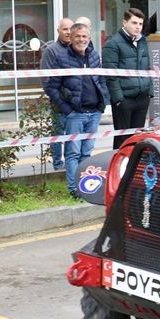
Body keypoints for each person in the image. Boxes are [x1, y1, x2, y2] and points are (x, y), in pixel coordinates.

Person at [45, 23, 108, 197]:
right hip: (75, 114)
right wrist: (67, 109)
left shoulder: (94, 55)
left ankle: (85, 188)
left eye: (84, 36)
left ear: (89, 38)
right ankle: (74, 189)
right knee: (73, 153)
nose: (81, 39)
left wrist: (102, 103)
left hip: (94, 112)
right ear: (71, 38)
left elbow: (101, 80)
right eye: (78, 36)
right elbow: (52, 88)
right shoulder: (62, 58)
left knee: (87, 153)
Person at [102, 8, 152, 149]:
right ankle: (119, 168)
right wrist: (118, 99)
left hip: (142, 97)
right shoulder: (113, 43)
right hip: (124, 100)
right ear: (124, 22)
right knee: (122, 141)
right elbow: (110, 74)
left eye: (140, 24)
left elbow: (147, 68)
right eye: (134, 23)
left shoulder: (142, 41)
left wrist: (149, 92)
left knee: (137, 139)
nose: (138, 27)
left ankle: (133, 169)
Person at [39, 17, 72, 170]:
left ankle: (72, 164)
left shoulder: (76, 49)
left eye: (71, 28)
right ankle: (58, 165)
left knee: (73, 136)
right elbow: (46, 81)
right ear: (58, 30)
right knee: (58, 134)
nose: (68, 32)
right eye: (65, 29)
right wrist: (61, 101)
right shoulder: (51, 51)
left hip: (76, 103)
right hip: (59, 103)